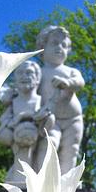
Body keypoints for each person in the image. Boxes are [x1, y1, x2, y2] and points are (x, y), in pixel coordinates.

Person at [35, 25, 85, 174]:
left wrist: (68, 83)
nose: (59, 48)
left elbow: (80, 82)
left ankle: (67, 182)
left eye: (64, 45)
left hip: (73, 119)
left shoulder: (71, 71)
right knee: (49, 146)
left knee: (71, 150)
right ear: (42, 47)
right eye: (54, 43)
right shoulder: (39, 72)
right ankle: (42, 180)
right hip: (51, 119)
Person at [0, 60, 54, 184]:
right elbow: (4, 126)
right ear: (16, 79)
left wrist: (42, 119)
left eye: (29, 73)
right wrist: (15, 122)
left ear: (37, 79)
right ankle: (20, 178)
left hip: (36, 138)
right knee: (21, 162)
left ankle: (34, 178)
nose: (24, 76)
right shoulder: (13, 102)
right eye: (20, 73)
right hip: (18, 140)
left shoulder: (40, 101)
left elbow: (48, 120)